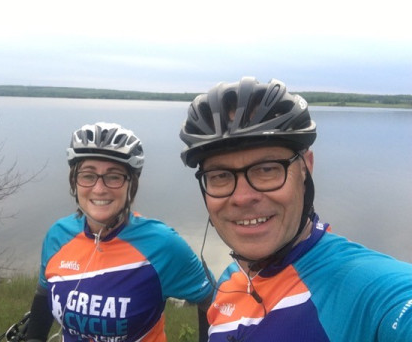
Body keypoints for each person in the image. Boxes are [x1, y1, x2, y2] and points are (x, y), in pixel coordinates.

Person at [178, 77, 412, 341]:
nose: (242, 197)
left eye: (267, 169)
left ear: (305, 168)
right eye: (220, 175)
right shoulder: (231, 279)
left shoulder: (369, 290)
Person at [25, 122, 213, 342]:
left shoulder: (163, 244)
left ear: (130, 185)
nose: (99, 188)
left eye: (114, 176)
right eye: (88, 175)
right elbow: (44, 293)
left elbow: (210, 300)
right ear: (75, 181)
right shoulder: (58, 235)